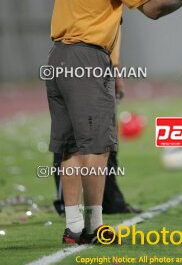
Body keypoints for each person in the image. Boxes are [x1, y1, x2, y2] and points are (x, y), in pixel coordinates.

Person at [46, 0, 182, 245]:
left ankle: (74, 228)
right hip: (87, 60)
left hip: (57, 59)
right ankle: (97, 227)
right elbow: (154, 10)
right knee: (97, 147)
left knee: (70, 148)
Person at [52, 24, 142, 217]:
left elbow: (112, 37)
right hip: (80, 63)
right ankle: (67, 205)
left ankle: (109, 201)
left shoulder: (113, 5)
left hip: (102, 64)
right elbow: (154, 9)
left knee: (105, 140)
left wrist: (114, 70)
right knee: (73, 139)